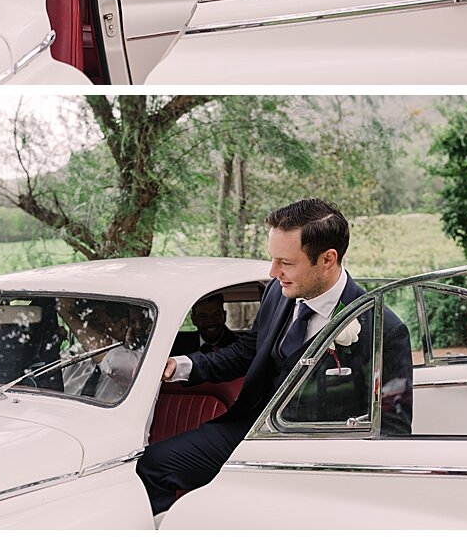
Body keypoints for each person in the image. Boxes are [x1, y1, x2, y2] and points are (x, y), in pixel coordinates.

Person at [136, 199, 413, 516]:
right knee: (152, 467)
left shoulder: (384, 330)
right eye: (273, 259)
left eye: (285, 262)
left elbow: (392, 429)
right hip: (249, 431)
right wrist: (181, 365)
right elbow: (248, 351)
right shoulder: (277, 293)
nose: (273, 271)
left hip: (316, 458)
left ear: (327, 259)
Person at [169, 297, 239, 356]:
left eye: (216, 315)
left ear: (224, 316)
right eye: (203, 316)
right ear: (194, 319)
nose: (210, 322)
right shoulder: (177, 345)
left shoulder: (238, 346)